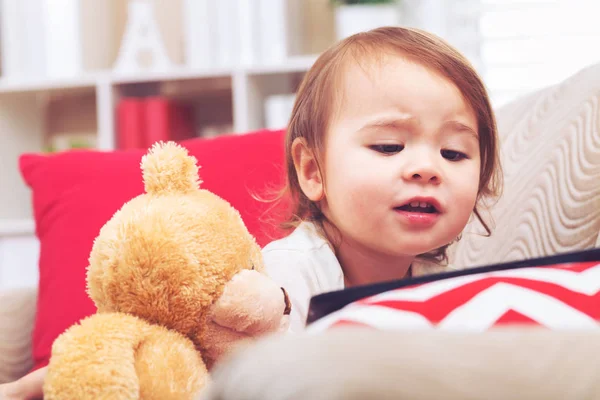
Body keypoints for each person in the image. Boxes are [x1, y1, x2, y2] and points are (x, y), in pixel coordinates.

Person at [0, 26, 501, 399]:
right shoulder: (288, 275)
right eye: (390, 145)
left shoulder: (443, 280)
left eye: (454, 154)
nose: (426, 168)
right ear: (313, 171)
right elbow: (186, 346)